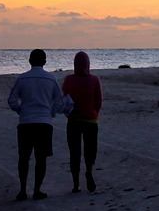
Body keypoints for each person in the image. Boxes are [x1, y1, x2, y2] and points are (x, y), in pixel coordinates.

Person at [6, 49, 71, 201]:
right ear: (44, 62)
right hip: (43, 122)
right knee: (41, 158)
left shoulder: (22, 79)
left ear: (30, 61)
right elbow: (60, 101)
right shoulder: (51, 79)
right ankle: (37, 190)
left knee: (24, 157)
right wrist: (51, 112)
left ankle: (22, 190)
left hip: (26, 122)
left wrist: (21, 110)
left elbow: (12, 101)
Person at [62, 51, 103, 193]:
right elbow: (98, 101)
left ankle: (76, 184)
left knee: (74, 152)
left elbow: (64, 99)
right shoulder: (94, 80)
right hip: (91, 119)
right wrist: (94, 113)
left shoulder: (69, 80)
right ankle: (89, 171)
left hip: (74, 119)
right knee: (90, 150)